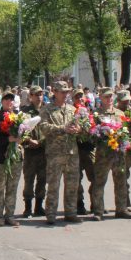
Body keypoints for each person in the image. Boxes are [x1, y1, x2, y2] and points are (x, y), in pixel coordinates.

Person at [37, 81, 81, 225]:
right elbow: (43, 127)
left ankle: (71, 212)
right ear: (55, 92)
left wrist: (78, 129)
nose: (65, 94)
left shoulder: (71, 109)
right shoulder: (46, 109)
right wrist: (63, 129)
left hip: (71, 152)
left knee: (72, 184)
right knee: (53, 185)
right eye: (62, 92)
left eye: (67, 92)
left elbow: (78, 124)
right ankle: (51, 213)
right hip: (55, 153)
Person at [91, 88, 131, 221]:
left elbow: (126, 131)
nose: (109, 99)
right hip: (103, 153)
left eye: (111, 97)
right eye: (106, 97)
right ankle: (98, 211)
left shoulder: (120, 113)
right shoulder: (96, 114)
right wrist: (101, 135)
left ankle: (121, 209)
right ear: (100, 98)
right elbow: (92, 134)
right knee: (99, 181)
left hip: (118, 153)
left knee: (121, 181)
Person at [0, 90, 22, 227]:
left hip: (15, 158)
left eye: (11, 100)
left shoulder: (19, 118)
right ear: (1, 102)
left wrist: (22, 139)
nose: (9, 102)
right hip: (0, 158)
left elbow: (25, 135)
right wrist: (7, 139)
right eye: (6, 99)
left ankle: (9, 215)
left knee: (12, 188)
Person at [20, 86, 46, 217]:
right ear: (30, 96)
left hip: (44, 150)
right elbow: (20, 130)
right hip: (30, 151)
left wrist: (41, 142)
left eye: (41, 94)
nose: (39, 97)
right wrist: (29, 141)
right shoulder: (24, 111)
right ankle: (28, 208)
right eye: (36, 94)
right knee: (29, 179)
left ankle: (39, 207)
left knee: (42, 179)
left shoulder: (47, 110)